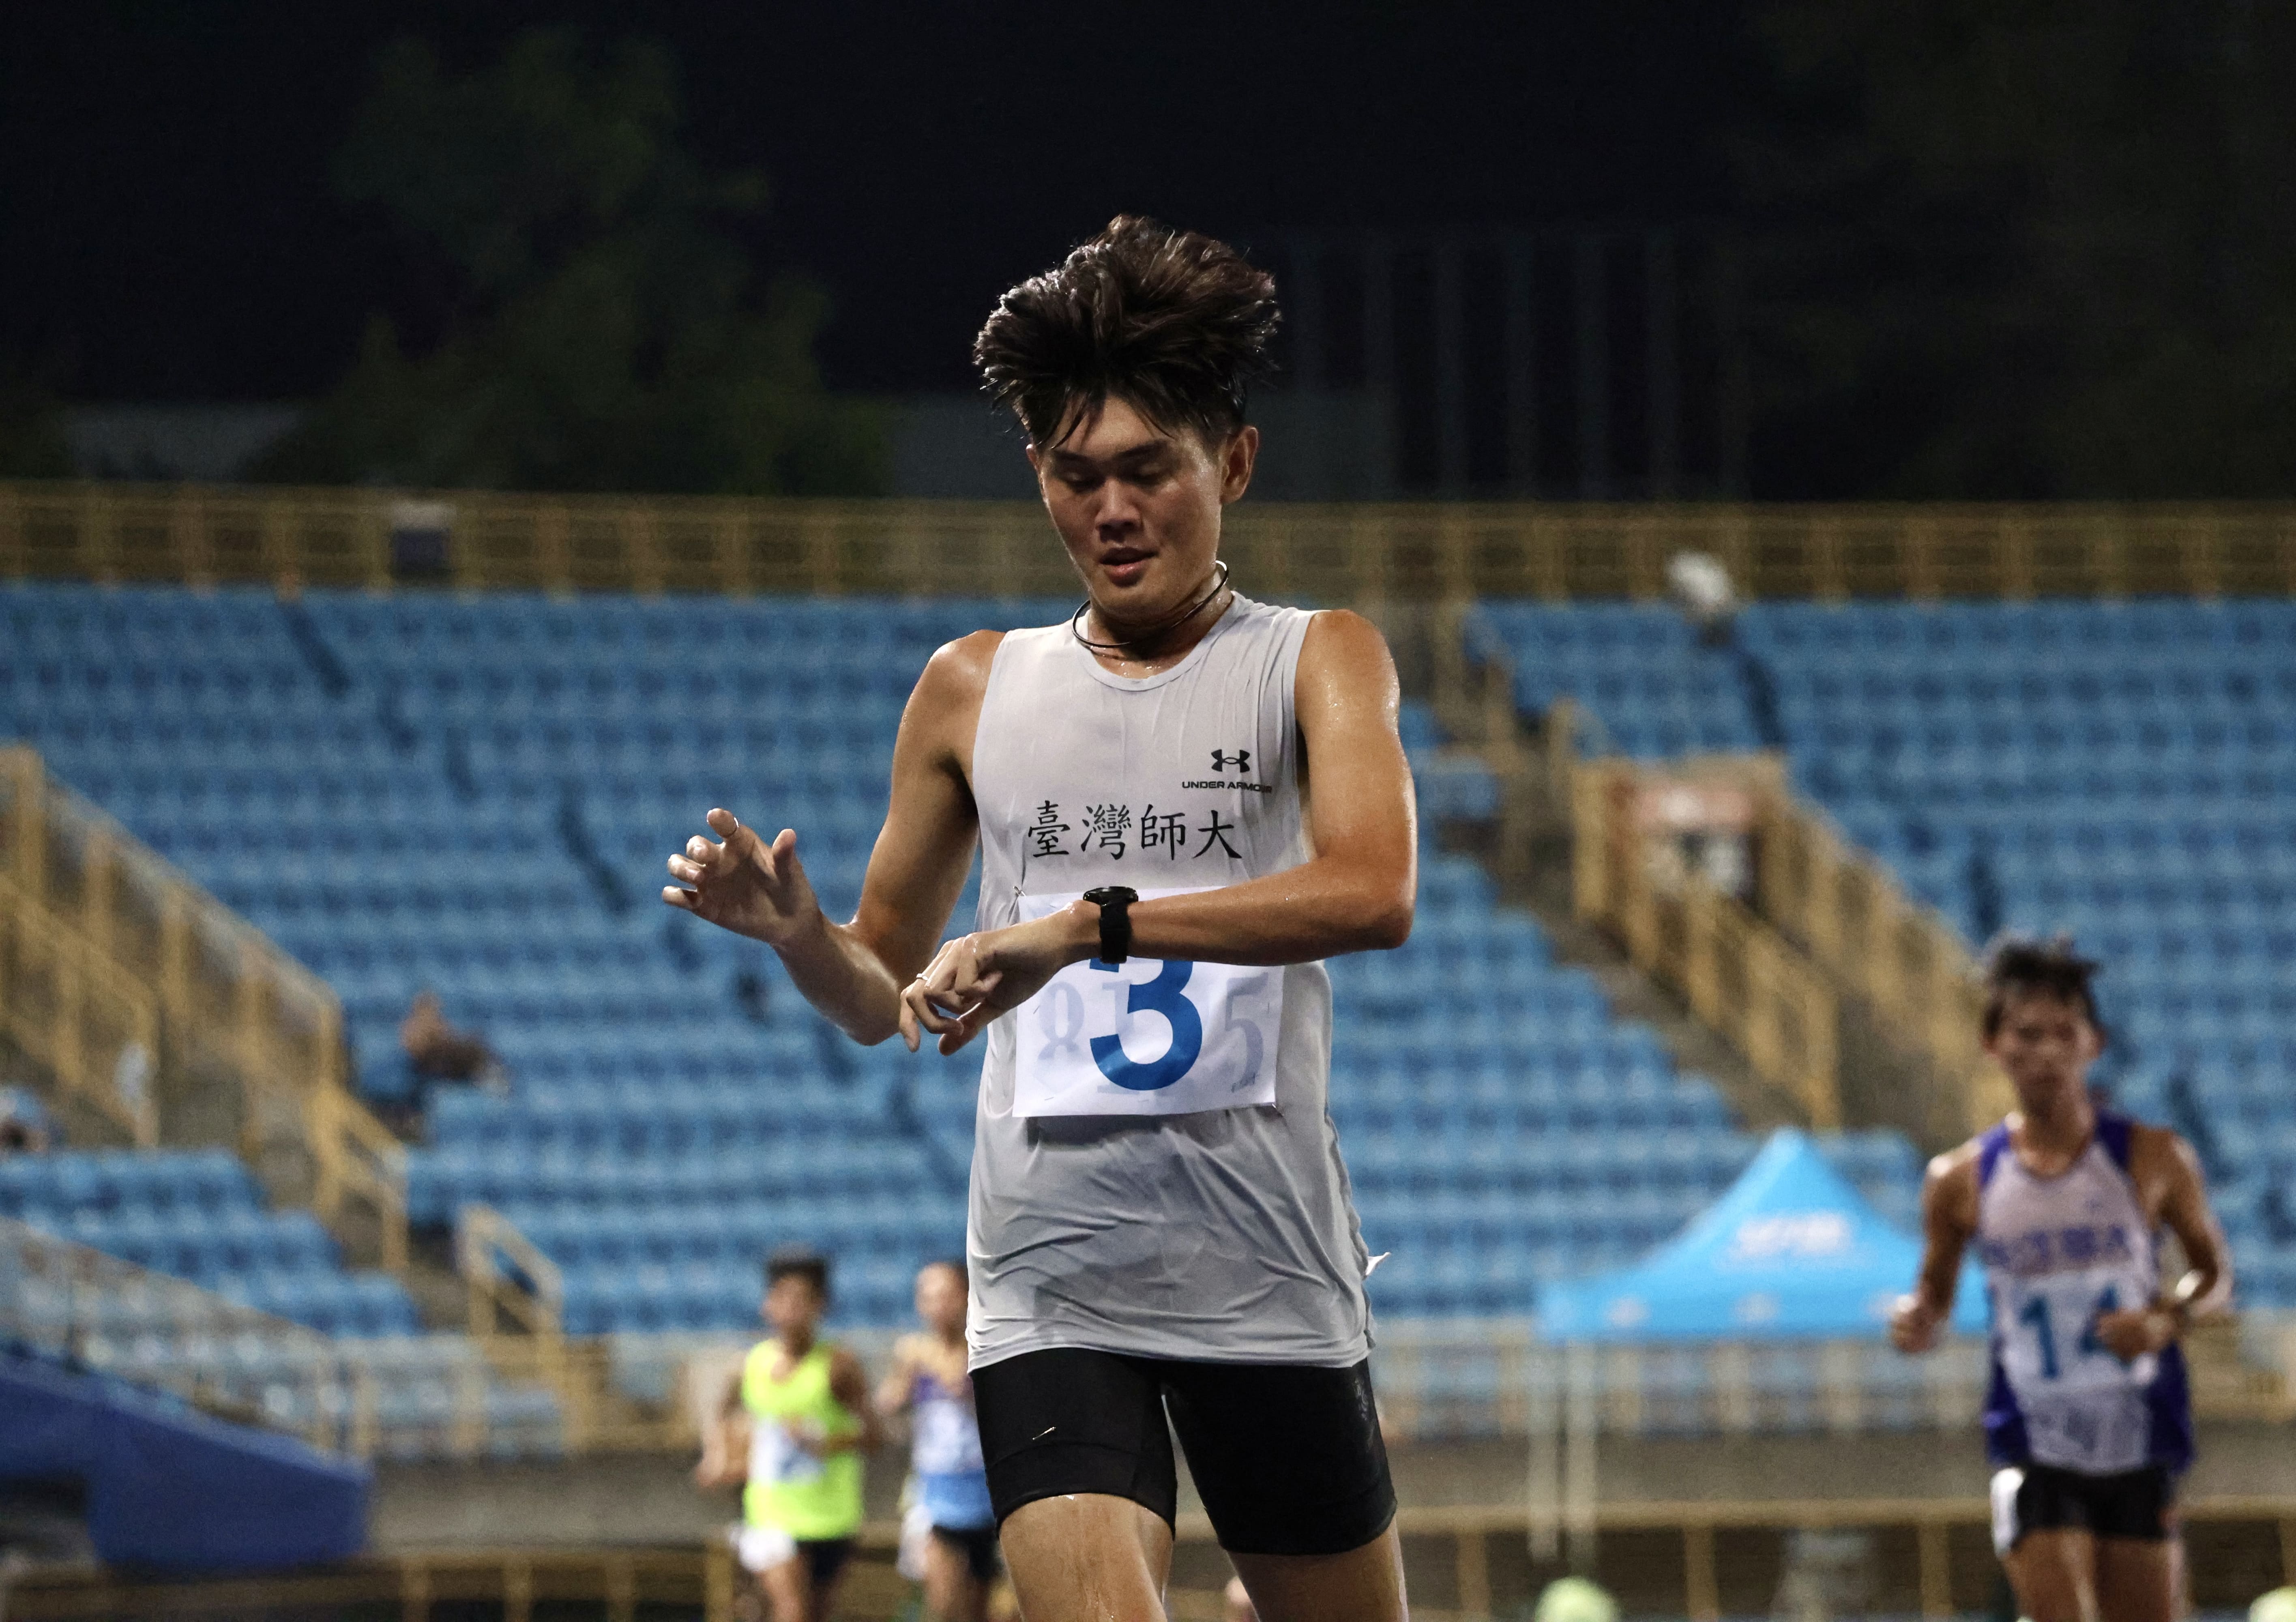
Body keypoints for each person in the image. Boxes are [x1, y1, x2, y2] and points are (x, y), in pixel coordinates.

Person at [665, 215, 1415, 1622]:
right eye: (1077, 478)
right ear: (1037, 478)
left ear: (1234, 463)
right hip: (1050, 1283)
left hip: (1267, 1275)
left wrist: (1081, 928)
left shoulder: (1317, 659)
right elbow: (884, 994)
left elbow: (1375, 891)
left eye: (1149, 470)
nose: (1112, 510)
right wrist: (802, 937)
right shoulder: (971, 688)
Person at [1891, 938, 2232, 1622]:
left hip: (2136, 1433)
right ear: (1992, 1044)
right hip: (2033, 1436)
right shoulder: (1959, 1181)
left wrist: (2167, 1319)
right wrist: (1916, 1317)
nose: (2046, 1052)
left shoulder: (2151, 1157)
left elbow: (2215, 1275)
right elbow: (1933, 1294)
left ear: (2093, 1044)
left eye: (2062, 1033)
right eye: (2026, 1035)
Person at [695, 1249, 882, 1622]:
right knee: (792, 1609)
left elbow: (875, 1436)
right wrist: (718, 1455)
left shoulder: (839, 1367)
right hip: (771, 1513)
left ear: (820, 1306)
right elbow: (719, 1412)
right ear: (767, 1305)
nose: (790, 1309)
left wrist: (825, 1443)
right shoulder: (749, 1365)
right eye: (781, 1297)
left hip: (831, 1514)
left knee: (816, 1612)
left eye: (802, 1299)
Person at [879, 1260, 997, 1622]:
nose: (938, 1306)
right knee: (943, 1607)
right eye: (928, 1297)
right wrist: (903, 1389)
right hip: (935, 1497)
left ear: (967, 1296)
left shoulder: (987, 1352)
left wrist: (971, 1392)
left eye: (946, 1296)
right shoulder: (913, 1353)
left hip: (986, 1495)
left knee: (979, 1608)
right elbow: (887, 1407)